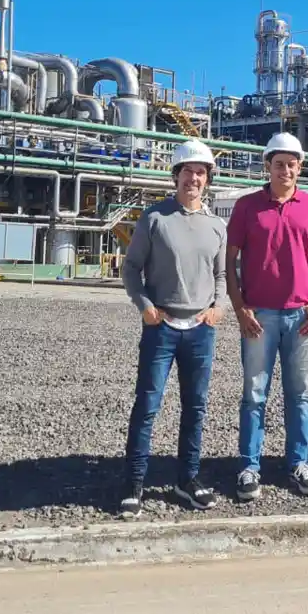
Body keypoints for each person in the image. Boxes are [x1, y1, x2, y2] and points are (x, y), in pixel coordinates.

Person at [119, 139, 227, 516]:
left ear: (207, 179)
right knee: (147, 405)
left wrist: (219, 306)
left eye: (200, 172)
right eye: (187, 172)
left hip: (200, 329)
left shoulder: (216, 225)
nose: (193, 178)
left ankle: (187, 480)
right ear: (176, 176)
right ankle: (134, 484)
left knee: (195, 408)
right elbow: (130, 268)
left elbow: (223, 273)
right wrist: (145, 306)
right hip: (161, 326)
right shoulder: (155, 218)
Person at [225, 131, 308, 501]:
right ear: (267, 166)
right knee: (254, 394)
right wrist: (240, 308)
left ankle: (297, 462)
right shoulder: (247, 207)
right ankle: (249, 466)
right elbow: (231, 261)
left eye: (291, 164)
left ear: (300, 167)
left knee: (299, 393)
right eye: (278, 164)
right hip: (260, 316)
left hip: (301, 314)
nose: (285, 170)